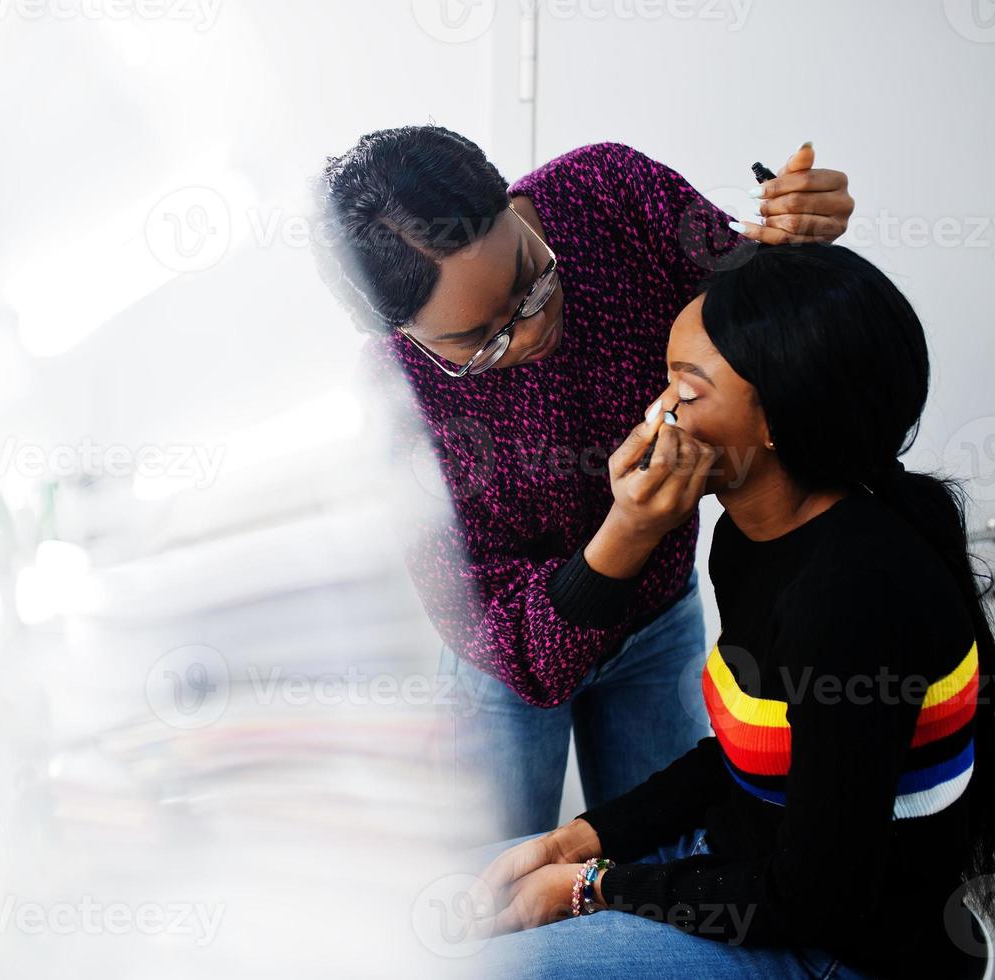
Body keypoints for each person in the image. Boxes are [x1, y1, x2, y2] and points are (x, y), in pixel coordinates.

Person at [460, 244, 993, 979]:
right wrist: (575, 841)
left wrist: (591, 889)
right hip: (744, 859)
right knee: (436, 901)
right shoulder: (747, 535)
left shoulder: (850, 596)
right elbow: (749, 758)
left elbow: (814, 899)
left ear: (779, 417)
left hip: (841, 947)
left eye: (686, 390)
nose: (656, 413)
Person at [313, 128, 856, 838]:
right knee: (498, 891)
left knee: (662, 861)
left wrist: (801, 239)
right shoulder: (395, 399)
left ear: (509, 199)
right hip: (506, 676)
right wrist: (627, 531)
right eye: (481, 342)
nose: (531, 328)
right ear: (398, 335)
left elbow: (758, 317)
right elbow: (517, 652)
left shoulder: (608, 191)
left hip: (660, 620)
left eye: (530, 279)